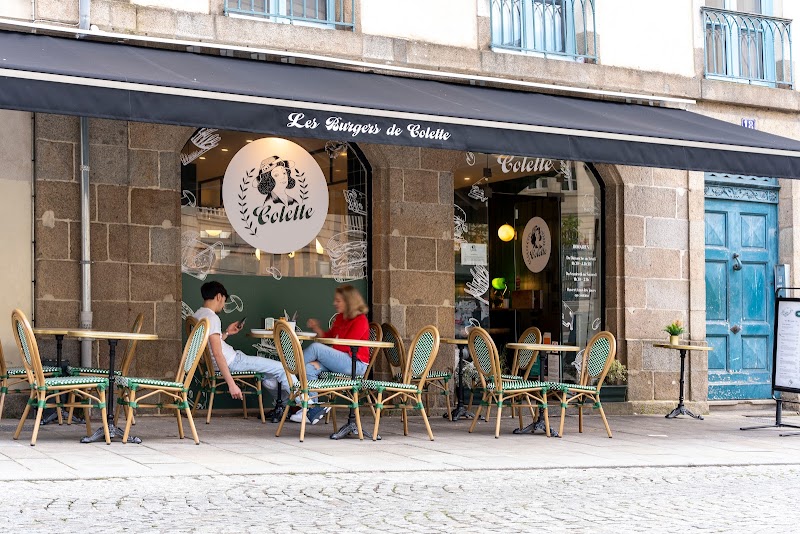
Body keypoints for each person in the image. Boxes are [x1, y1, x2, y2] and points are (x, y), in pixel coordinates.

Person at [192, 281, 295, 411]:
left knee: (269, 375)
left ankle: (286, 407)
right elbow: (217, 353)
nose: (223, 306)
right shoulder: (212, 318)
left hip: (226, 362)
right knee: (282, 368)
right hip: (234, 362)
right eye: (224, 301)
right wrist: (232, 385)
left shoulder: (197, 315)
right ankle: (307, 404)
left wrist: (228, 332)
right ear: (219, 297)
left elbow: (209, 345)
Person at [289, 284, 370, 425]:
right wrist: (316, 328)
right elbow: (329, 337)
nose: (335, 303)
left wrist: (320, 357)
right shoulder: (340, 317)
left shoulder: (360, 320)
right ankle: (311, 409)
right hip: (341, 360)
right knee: (309, 368)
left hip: (355, 364)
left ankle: (290, 370)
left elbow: (346, 346)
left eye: (338, 301)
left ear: (349, 301)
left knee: (315, 348)